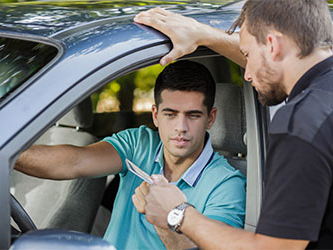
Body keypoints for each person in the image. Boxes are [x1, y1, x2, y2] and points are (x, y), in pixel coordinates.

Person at [133, 0, 333, 249]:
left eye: (247, 55)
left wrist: (178, 212)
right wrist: (205, 35)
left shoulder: (301, 123)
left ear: (272, 45)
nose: (247, 74)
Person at [15, 60, 246, 249]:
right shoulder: (139, 143)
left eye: (193, 115)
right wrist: (1, 155)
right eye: (170, 114)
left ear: (211, 118)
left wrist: (164, 218)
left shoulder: (227, 185)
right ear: (155, 115)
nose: (181, 127)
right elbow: (75, 162)